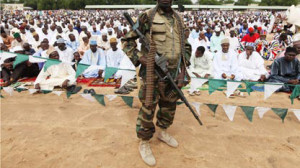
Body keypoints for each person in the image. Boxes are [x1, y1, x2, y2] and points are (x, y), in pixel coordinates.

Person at [122, 0, 191, 166]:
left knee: (169, 105)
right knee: (148, 107)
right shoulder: (147, 16)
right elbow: (127, 41)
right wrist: (142, 59)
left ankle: (163, 131)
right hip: (152, 73)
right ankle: (144, 142)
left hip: (173, 74)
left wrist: (182, 71)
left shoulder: (179, 19)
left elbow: (185, 47)